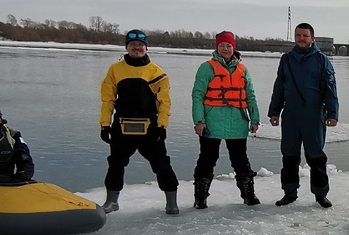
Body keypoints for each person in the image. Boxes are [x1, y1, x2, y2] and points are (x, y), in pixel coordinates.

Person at [99, 29, 180, 215]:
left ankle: (171, 203)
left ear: (146, 47)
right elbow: (107, 100)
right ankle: (112, 201)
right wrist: (105, 124)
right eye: (133, 45)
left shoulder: (156, 72)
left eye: (141, 45)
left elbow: (164, 102)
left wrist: (162, 126)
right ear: (127, 47)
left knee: (162, 165)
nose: (137, 48)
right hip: (122, 126)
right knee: (115, 164)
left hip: (150, 127)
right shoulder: (115, 70)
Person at [268, 22, 339, 207]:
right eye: (298, 35)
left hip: (314, 115)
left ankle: (321, 195)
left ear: (312, 39)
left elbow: (330, 89)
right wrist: (274, 111)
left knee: (316, 157)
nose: (301, 39)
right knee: (289, 156)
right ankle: (289, 193)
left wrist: (333, 113)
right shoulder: (287, 60)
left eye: (305, 36)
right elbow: (279, 87)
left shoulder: (322, 60)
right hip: (291, 114)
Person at [191, 31, 262, 208]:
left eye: (228, 45)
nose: (225, 48)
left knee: (240, 160)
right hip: (212, 121)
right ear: (217, 47)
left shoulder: (243, 70)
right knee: (207, 159)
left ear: (233, 47)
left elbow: (251, 96)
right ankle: (200, 198)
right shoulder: (206, 68)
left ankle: (248, 195)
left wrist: (255, 119)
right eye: (222, 45)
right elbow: (197, 95)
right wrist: (199, 120)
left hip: (237, 121)